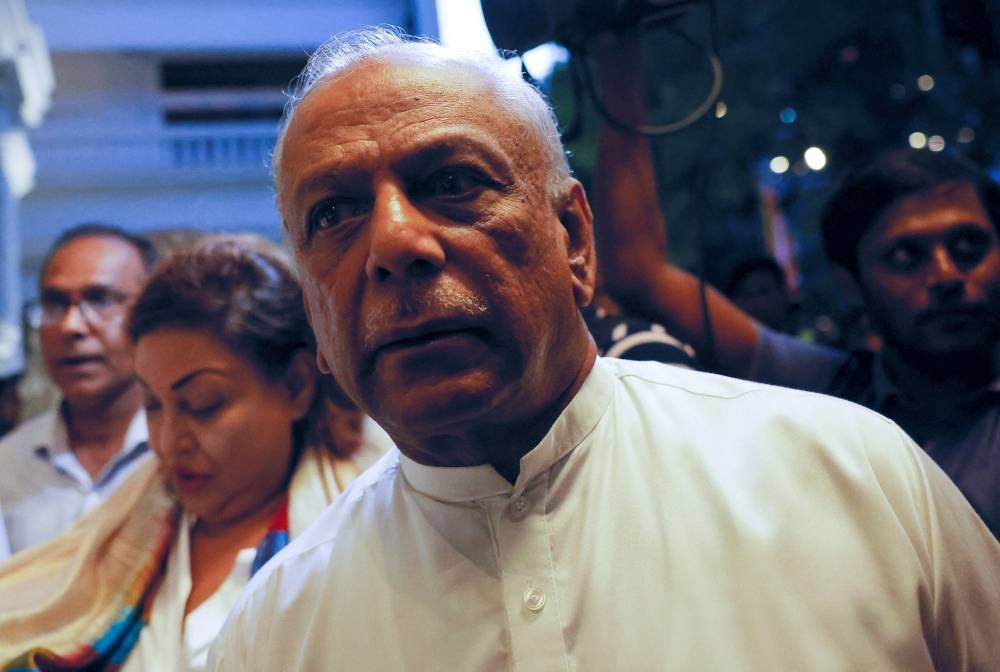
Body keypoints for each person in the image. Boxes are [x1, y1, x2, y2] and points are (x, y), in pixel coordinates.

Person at [209, 28, 1000, 671]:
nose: (393, 242)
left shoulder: (853, 477)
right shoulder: (276, 634)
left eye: (452, 182)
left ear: (576, 241)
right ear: (313, 315)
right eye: (333, 214)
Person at [590, 35, 1000, 538]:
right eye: (904, 256)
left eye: (968, 248)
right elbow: (639, 274)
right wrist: (617, 45)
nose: (945, 277)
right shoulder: (836, 393)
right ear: (851, 283)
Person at [0, 235, 386, 670]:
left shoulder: (370, 526)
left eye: (204, 405)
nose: (168, 441)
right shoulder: (128, 527)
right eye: (151, 405)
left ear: (296, 386)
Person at [0, 224, 155, 555]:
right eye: (54, 304)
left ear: (147, 312)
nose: (71, 326)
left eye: (99, 300)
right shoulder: (7, 467)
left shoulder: (183, 458)